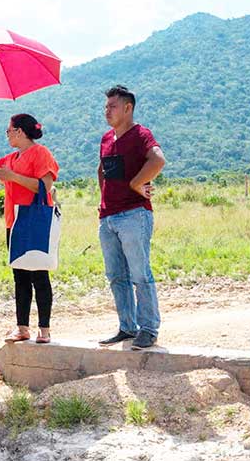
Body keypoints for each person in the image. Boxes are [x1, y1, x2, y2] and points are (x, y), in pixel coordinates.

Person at [0, 114, 59, 344]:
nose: (8, 135)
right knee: (20, 276)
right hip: (14, 222)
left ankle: (44, 328)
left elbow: (44, 186)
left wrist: (13, 177)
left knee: (39, 274)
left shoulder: (41, 153)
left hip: (34, 221)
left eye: (9, 131)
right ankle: (22, 327)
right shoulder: (12, 158)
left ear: (20, 131)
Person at [96, 85, 166, 350]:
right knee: (116, 275)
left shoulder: (140, 134)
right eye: (106, 107)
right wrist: (102, 200)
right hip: (108, 217)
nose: (107, 111)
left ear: (128, 108)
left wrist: (138, 183)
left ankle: (148, 329)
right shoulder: (106, 139)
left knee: (140, 274)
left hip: (134, 214)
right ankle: (127, 327)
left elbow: (158, 160)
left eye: (112, 106)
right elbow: (101, 169)